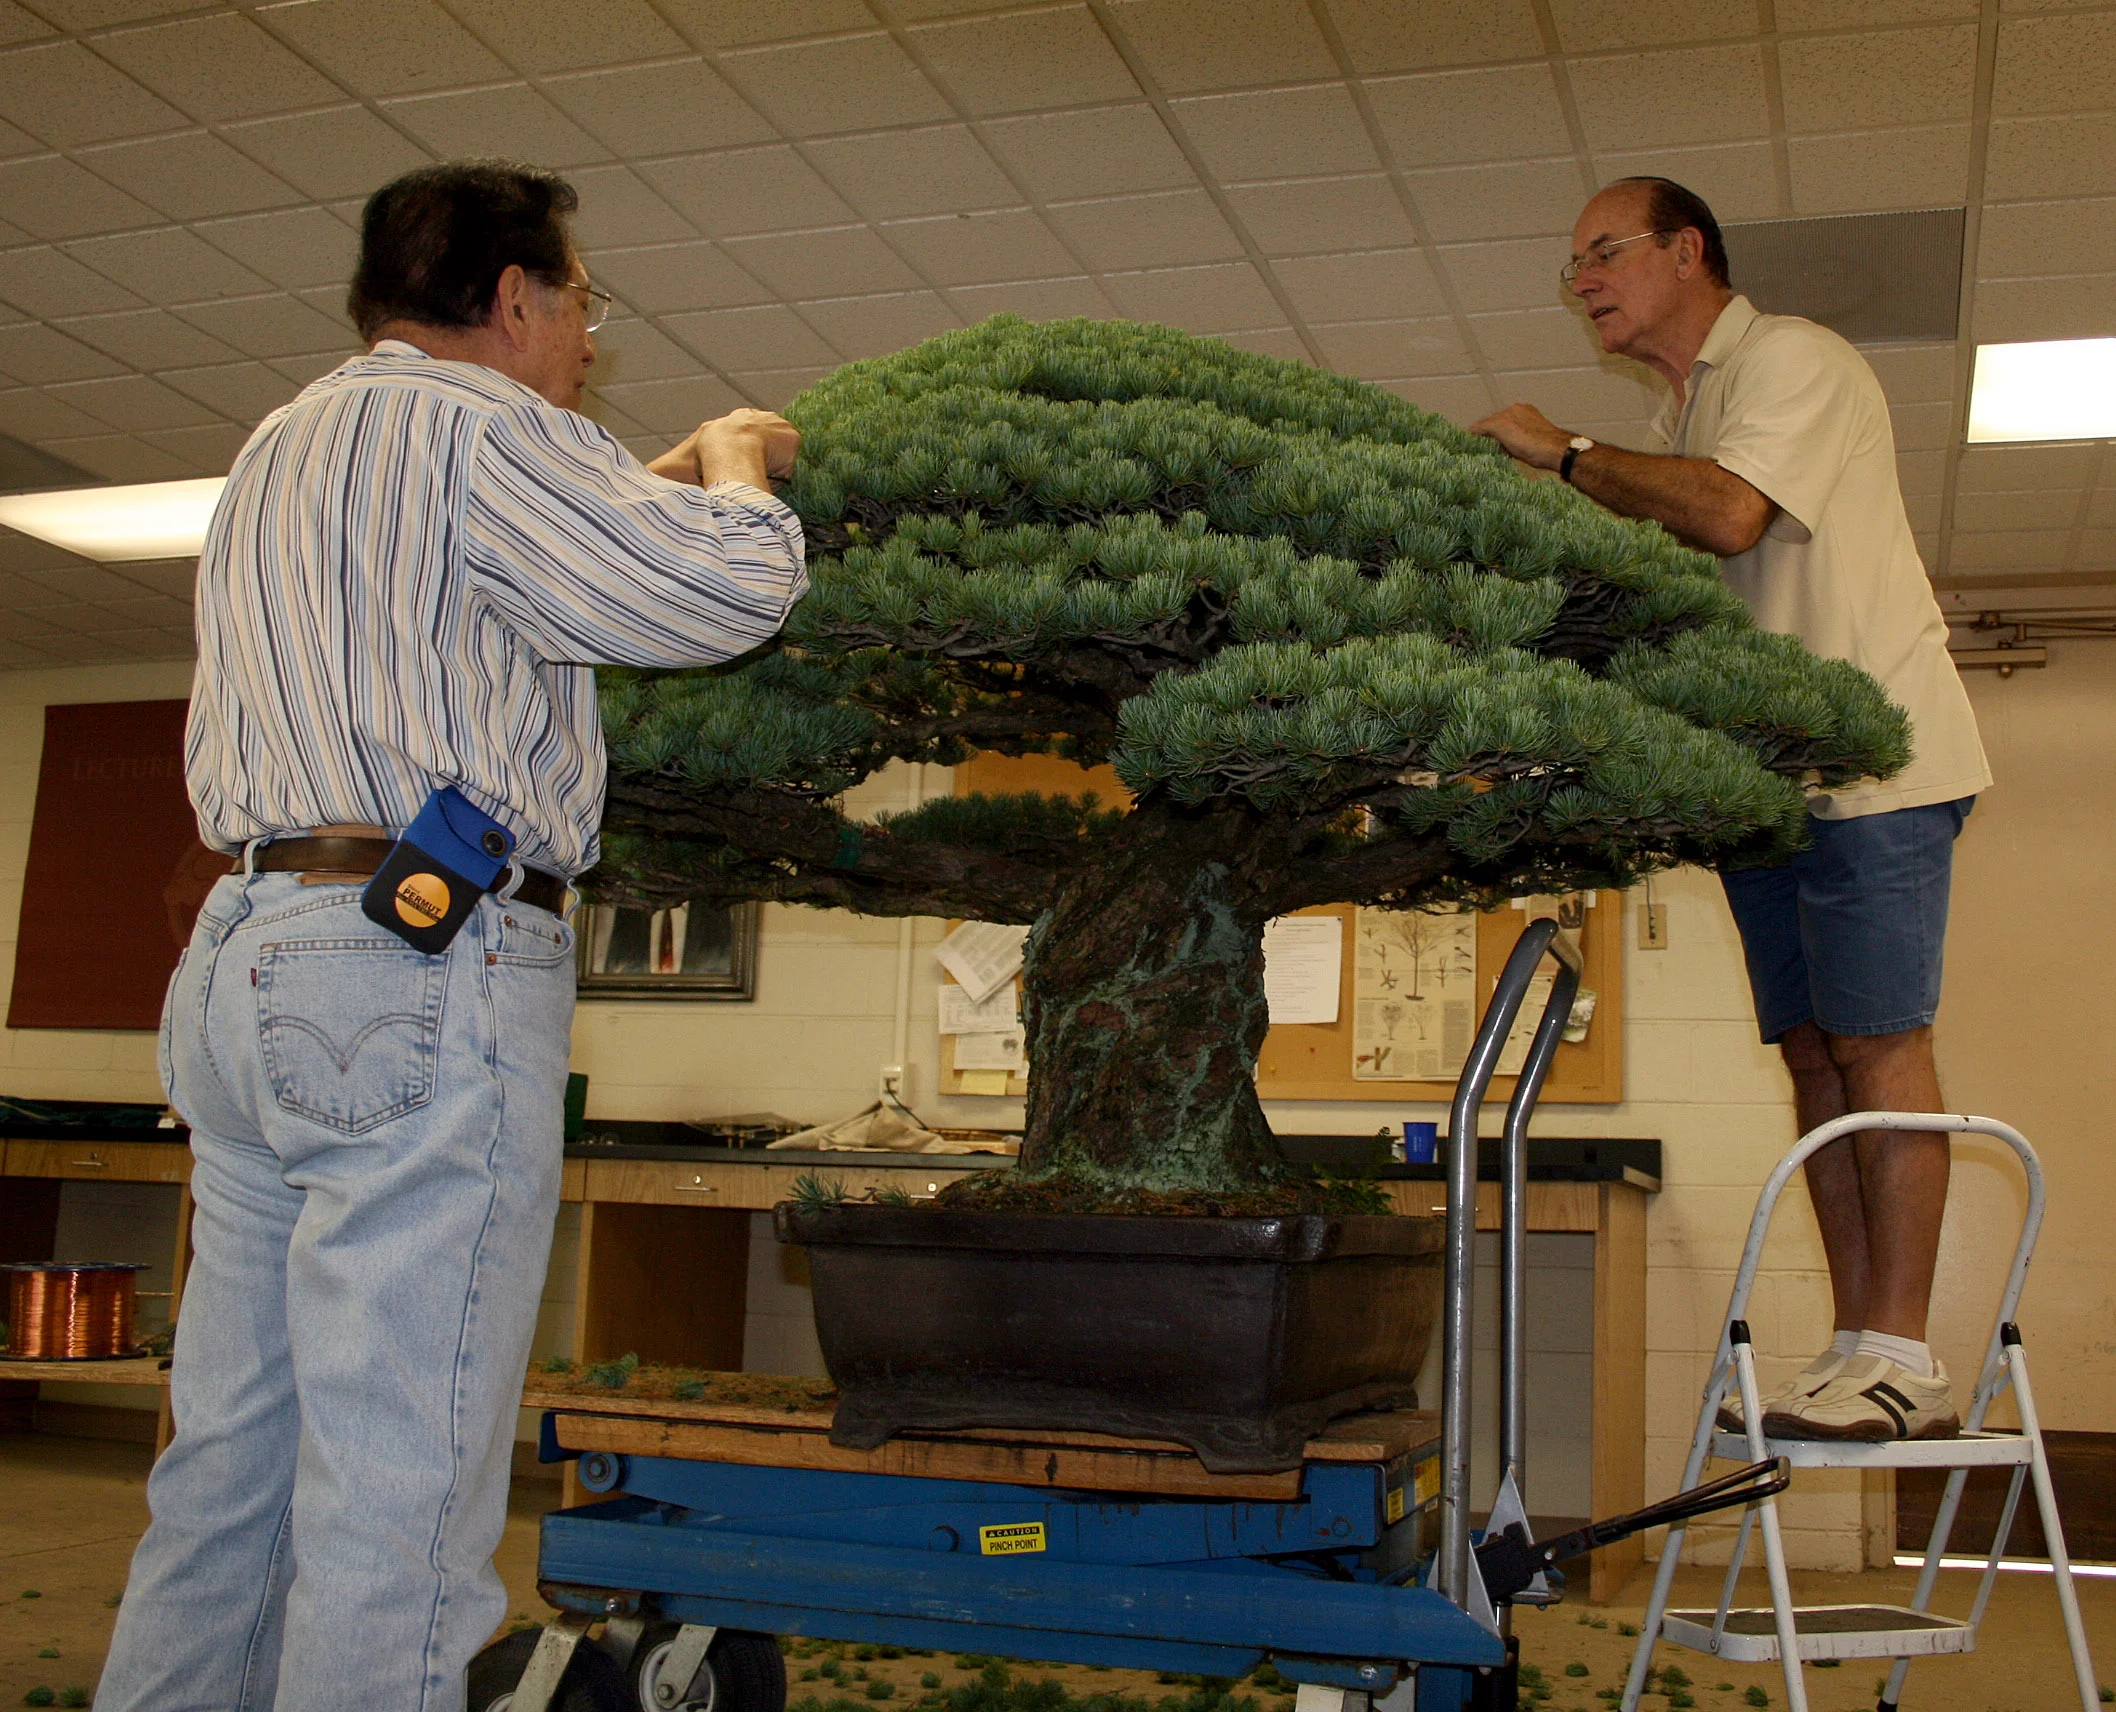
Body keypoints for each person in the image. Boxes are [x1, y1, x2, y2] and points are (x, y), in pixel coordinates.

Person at [98, 160, 808, 1710]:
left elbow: (502, 576)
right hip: (416, 967)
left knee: (229, 1464)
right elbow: (726, 593)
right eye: (584, 304)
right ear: (513, 296)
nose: (588, 342)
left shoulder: (283, 445)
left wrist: (640, 487)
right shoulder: (491, 431)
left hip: (245, 957)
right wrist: (738, 465)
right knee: (400, 1488)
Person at [1470, 177, 1991, 1443]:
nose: (1583, 280)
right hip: (1770, 785)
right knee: (1811, 1051)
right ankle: (1855, 1342)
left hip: (1873, 767)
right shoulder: (1688, 407)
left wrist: (1563, 452)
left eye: (1602, 252)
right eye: (1573, 264)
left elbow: (1729, 511)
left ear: (1685, 250)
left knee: (1878, 1045)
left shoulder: (1790, 359)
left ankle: (1905, 1356)